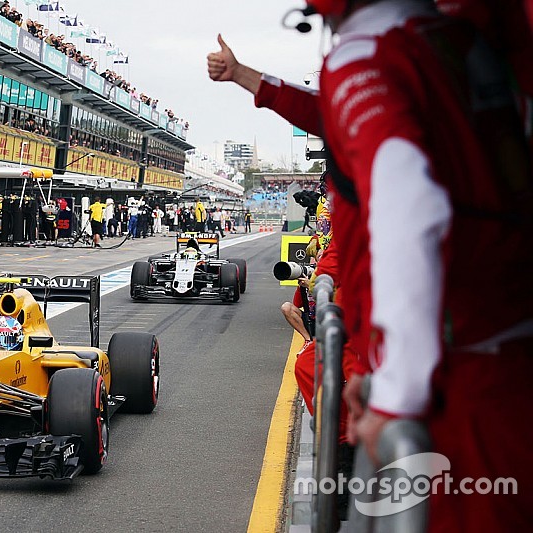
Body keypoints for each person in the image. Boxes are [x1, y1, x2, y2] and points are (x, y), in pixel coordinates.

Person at [209, 1, 533, 529]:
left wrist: (397, 393)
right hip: (500, 348)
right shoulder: (448, 41)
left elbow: (411, 203)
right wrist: (247, 77)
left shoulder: (368, 55)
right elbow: (334, 112)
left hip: (460, 380)